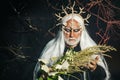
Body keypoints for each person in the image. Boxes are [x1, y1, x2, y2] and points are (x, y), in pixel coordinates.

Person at [33, 5, 110, 80]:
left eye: (76, 30)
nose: (71, 35)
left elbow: (102, 76)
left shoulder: (89, 50)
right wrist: (49, 71)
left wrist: (94, 68)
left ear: (81, 31)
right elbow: (39, 74)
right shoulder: (52, 48)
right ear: (62, 31)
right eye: (68, 30)